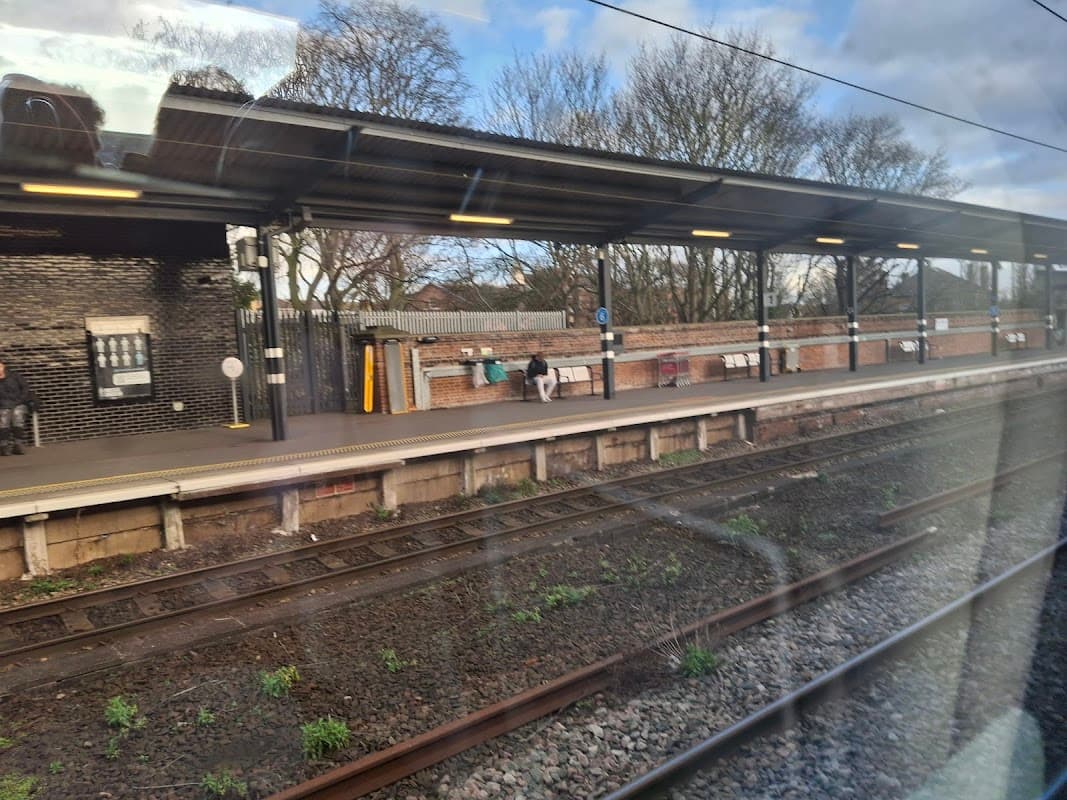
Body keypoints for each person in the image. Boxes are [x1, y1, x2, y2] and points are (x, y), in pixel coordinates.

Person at [0, 359, 37, 455]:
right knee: (4, 421)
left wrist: (20, 400)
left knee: (17, 417)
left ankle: (18, 444)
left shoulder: (14, 376)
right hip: (3, 405)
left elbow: (25, 388)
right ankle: (4, 446)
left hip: (18, 402)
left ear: (3, 366)